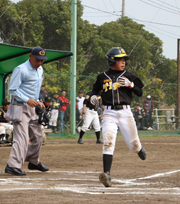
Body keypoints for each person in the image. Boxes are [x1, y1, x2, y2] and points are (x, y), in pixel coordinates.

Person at [91, 47, 147, 187]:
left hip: (126, 113)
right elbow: (94, 91)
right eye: (120, 59)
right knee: (108, 141)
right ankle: (107, 174)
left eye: (124, 60)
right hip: (109, 113)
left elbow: (140, 92)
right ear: (111, 61)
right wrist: (93, 97)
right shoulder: (102, 77)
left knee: (133, 145)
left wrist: (131, 85)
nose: (123, 62)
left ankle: (139, 148)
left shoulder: (129, 76)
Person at [4, 46, 49, 176]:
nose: (40, 62)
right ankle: (13, 165)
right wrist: (27, 99)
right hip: (20, 106)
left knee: (38, 136)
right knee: (22, 138)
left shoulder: (40, 69)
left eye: (42, 60)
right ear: (30, 57)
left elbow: (34, 89)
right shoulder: (21, 69)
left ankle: (33, 161)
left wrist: (38, 100)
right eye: (37, 60)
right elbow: (12, 89)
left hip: (33, 107)